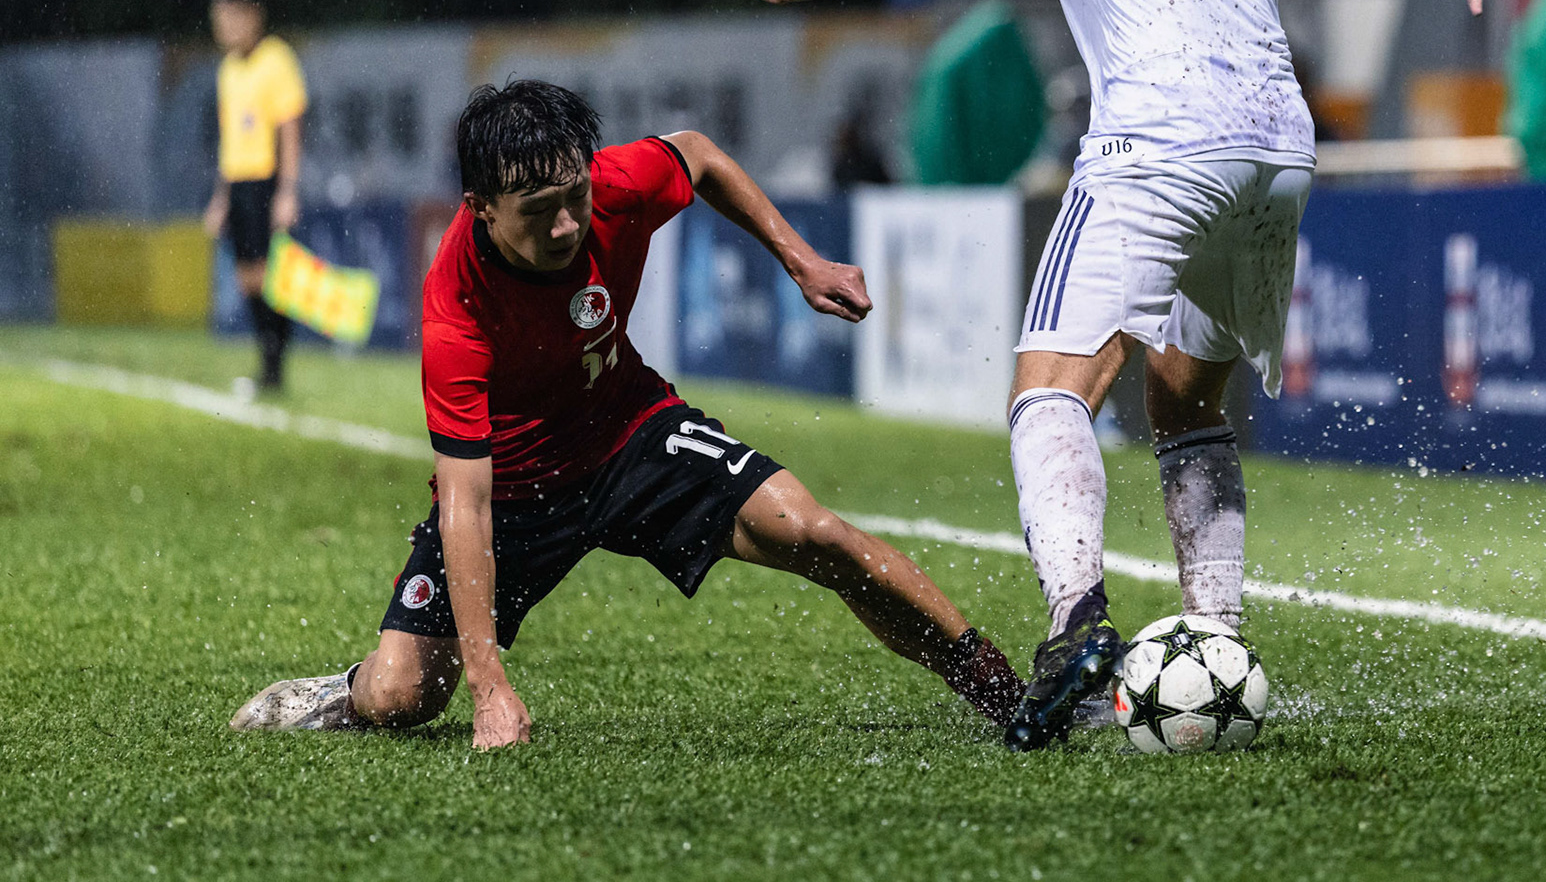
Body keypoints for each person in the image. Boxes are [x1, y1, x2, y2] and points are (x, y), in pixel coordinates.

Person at [731, 0, 1484, 750]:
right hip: (1277, 143)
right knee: (1184, 397)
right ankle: (1215, 641)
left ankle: (1075, 620)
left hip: (1156, 138)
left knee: (1049, 390)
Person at [230, 80, 1022, 747]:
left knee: (813, 532)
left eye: (575, 196)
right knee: (401, 699)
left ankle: (1005, 690)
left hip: (626, 432)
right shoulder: (455, 306)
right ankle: (340, 690)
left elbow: (701, 154)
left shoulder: (612, 184)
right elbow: (465, 502)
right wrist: (488, 689)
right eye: (539, 209)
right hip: (511, 492)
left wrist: (801, 259)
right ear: (479, 208)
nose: (568, 224)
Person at [200, 0, 304, 391]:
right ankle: (268, 366)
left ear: (252, 15)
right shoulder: (228, 69)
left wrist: (288, 191)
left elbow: (290, 128)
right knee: (247, 277)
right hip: (238, 183)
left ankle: (275, 368)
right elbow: (230, 139)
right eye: (218, 18)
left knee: (266, 276)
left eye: (229, 17)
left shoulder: (276, 58)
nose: (223, 26)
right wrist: (220, 199)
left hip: (266, 180)